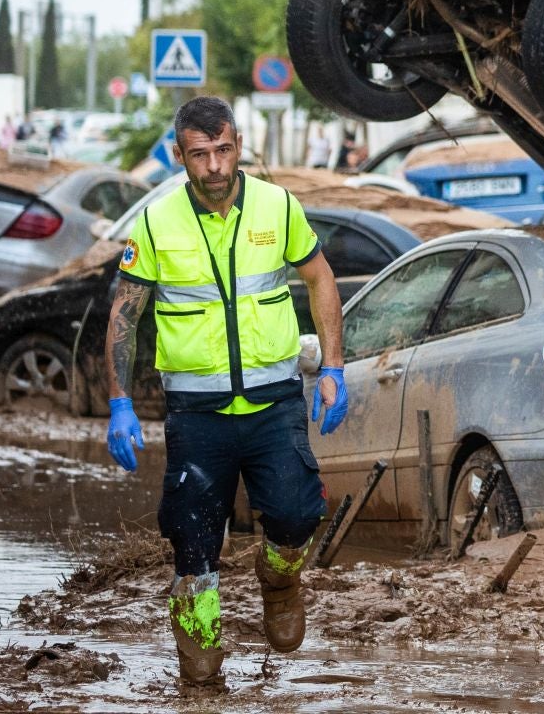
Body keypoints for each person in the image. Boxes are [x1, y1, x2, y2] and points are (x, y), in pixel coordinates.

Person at [103, 95, 348, 684]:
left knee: (296, 516)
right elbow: (125, 314)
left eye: (223, 150)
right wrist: (119, 401)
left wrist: (334, 367)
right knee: (192, 538)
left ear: (238, 145)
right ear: (179, 155)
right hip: (197, 414)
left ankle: (280, 581)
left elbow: (320, 279)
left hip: (275, 404)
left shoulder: (277, 205)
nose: (214, 165)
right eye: (199, 154)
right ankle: (202, 653)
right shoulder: (156, 221)